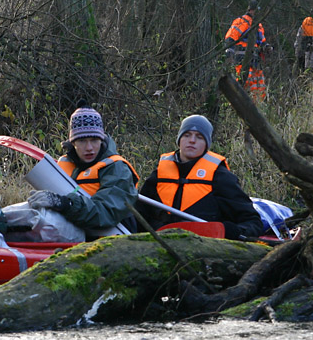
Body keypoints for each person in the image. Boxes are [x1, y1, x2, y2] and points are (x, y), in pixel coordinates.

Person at [136, 115, 263, 241]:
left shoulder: (220, 177)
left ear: (206, 144)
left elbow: (252, 221)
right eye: (187, 135)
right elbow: (139, 215)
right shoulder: (159, 174)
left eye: (199, 137)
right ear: (179, 140)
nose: (192, 140)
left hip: (203, 245)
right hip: (158, 243)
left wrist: (231, 231)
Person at [27, 101, 140, 235]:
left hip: (113, 239)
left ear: (101, 140)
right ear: (73, 142)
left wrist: (65, 203)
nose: (89, 148)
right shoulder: (63, 164)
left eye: (94, 140)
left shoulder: (117, 168)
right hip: (71, 233)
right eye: (82, 141)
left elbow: (105, 212)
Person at [224, 0, 271, 101]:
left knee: (259, 88)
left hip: (255, 62)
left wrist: (266, 47)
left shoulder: (258, 25)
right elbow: (230, 38)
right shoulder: (241, 21)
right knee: (242, 85)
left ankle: (257, 107)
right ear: (252, 10)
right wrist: (229, 52)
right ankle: (237, 106)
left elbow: (262, 41)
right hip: (242, 60)